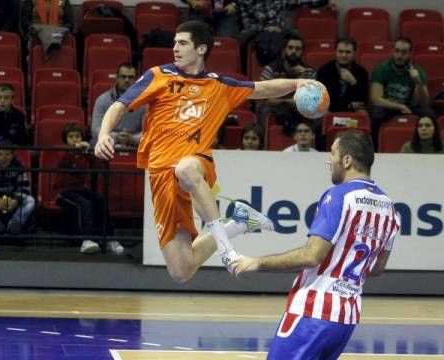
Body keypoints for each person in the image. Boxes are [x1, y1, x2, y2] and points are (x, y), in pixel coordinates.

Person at [94, 20, 317, 282]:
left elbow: (262, 88)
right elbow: (119, 105)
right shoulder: (158, 76)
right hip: (160, 175)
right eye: (175, 42)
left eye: (182, 43)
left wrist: (299, 82)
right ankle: (240, 223)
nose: (175, 48)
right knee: (181, 271)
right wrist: (103, 134)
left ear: (201, 49)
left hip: (195, 162)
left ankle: (227, 251)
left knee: (186, 169)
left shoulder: (219, 86)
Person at [231, 130, 400, 360]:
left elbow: (312, 255)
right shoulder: (390, 209)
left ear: (347, 160)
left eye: (333, 154)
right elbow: (378, 267)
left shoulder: (338, 196)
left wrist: (256, 262)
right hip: (347, 317)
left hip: (313, 312)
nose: (329, 161)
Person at [55, 123, 124, 254]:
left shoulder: (84, 153)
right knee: (84, 204)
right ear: (66, 140)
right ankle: (86, 240)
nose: (75, 139)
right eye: (71, 137)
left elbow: (97, 166)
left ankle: (110, 239)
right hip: (63, 191)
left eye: (77, 136)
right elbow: (63, 164)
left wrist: (90, 153)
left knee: (100, 200)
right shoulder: (62, 152)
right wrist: (73, 151)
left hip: (81, 189)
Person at [369, 37, 436, 144]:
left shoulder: (417, 71)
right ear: (392, 51)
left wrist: (418, 82)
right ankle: (376, 149)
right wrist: (399, 106)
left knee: (429, 114)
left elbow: (424, 102)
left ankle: (429, 149)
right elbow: (376, 99)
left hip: (410, 107)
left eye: (404, 52)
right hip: (388, 106)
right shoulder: (382, 69)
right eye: (397, 51)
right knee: (376, 114)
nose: (399, 56)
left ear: (410, 54)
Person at [258, 33, 317, 134]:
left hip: (298, 110)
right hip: (276, 108)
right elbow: (264, 98)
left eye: (297, 49)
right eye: (290, 48)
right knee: (265, 111)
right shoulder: (271, 69)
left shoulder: (309, 72)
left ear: (302, 52)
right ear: (285, 50)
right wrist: (287, 101)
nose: (293, 51)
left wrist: (301, 79)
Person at [0, 140, 35, 234]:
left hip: (13, 199)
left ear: (13, 155)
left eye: (7, 154)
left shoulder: (19, 167)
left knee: (30, 201)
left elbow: (25, 188)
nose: (3, 158)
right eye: (0, 154)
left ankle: (15, 223)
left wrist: (16, 200)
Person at [90, 63, 146, 148]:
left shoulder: (144, 102)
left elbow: (150, 130)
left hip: (136, 144)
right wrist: (115, 137)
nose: (127, 80)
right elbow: (95, 129)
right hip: (108, 140)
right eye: (123, 77)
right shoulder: (102, 100)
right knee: (94, 142)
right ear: (117, 78)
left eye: (131, 77)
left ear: (136, 80)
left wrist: (133, 139)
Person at [317, 37, 369, 114]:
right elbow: (326, 100)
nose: (344, 55)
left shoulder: (362, 72)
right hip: (330, 110)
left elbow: (361, 102)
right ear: (335, 52)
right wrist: (349, 105)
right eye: (340, 51)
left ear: (354, 53)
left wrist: (353, 83)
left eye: (348, 52)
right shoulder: (324, 71)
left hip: (352, 111)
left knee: (362, 113)